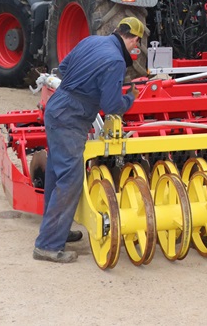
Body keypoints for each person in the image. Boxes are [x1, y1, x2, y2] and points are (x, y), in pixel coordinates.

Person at [33, 17, 145, 264]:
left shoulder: (91, 40)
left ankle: (56, 231)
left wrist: (86, 84)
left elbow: (63, 67)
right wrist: (130, 97)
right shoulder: (116, 61)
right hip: (71, 118)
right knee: (70, 179)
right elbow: (111, 105)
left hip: (57, 107)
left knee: (56, 173)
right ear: (135, 40)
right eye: (137, 43)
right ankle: (47, 246)